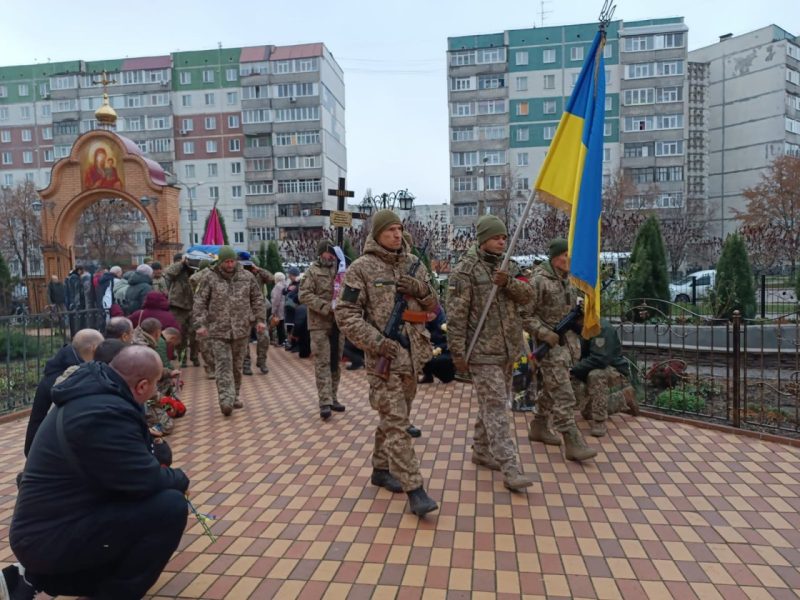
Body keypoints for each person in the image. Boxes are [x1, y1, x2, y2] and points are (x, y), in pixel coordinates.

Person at [10, 345, 189, 600]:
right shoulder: (104, 413)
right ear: (142, 386)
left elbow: (133, 470)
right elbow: (145, 478)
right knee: (169, 506)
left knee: (146, 501)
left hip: (52, 528)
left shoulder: (98, 395)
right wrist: (180, 479)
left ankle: (51, 578)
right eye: (155, 385)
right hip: (47, 540)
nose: (156, 392)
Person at [336, 210, 439, 517]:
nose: (397, 234)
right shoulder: (361, 269)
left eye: (399, 229)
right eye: (390, 229)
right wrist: (378, 342)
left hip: (413, 357)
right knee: (398, 424)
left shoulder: (413, 265)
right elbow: (346, 314)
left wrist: (419, 289)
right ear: (377, 233)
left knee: (396, 416)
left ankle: (381, 470)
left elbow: (434, 307)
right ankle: (415, 489)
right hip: (383, 358)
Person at [446, 215, 536, 492]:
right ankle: (510, 467)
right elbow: (457, 316)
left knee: (491, 403)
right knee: (497, 405)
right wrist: (457, 353)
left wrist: (508, 282)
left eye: (504, 237)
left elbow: (529, 295)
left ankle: (482, 449)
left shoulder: (510, 266)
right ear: (483, 238)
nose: (502, 241)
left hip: (508, 349)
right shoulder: (465, 271)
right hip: (481, 352)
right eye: (497, 237)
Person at [522, 238, 597, 462]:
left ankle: (539, 425)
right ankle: (573, 441)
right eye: (565, 255)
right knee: (564, 395)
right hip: (550, 348)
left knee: (550, 387)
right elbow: (524, 315)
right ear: (555, 258)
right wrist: (544, 333)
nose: (569, 259)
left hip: (567, 347)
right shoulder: (538, 281)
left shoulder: (568, 281)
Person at [193, 246, 265, 416]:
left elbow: (257, 299)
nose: (230, 264)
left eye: (232, 261)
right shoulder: (209, 278)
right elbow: (199, 302)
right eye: (227, 261)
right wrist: (200, 324)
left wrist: (260, 320)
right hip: (218, 330)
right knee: (223, 365)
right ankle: (225, 399)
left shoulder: (246, 277)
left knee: (237, 367)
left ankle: (235, 395)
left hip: (241, 329)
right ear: (221, 262)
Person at [23, 329, 104, 457]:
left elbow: (36, 420)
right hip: (59, 454)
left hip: (39, 451)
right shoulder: (75, 381)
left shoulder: (52, 373)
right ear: (94, 348)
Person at [300, 239, 346, 419]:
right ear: (320, 254)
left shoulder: (341, 270)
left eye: (333, 254)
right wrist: (325, 307)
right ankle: (324, 401)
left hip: (338, 324)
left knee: (336, 361)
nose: (331, 257)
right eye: (328, 254)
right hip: (319, 324)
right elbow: (304, 294)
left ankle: (334, 397)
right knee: (323, 362)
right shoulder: (312, 272)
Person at [571, 318, 640, 437]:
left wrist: (574, 370)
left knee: (595, 375)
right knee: (587, 413)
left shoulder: (601, 328)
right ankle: (624, 397)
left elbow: (600, 359)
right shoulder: (581, 326)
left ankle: (599, 421)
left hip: (612, 367)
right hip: (591, 365)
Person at [240, 253, 272, 376]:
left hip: (259, 311)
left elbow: (271, 278)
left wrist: (258, 269)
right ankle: (246, 363)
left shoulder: (258, 274)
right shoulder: (239, 275)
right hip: (244, 311)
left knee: (264, 338)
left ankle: (262, 361)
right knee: (244, 340)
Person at [165, 254, 200, 368]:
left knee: (194, 334)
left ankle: (194, 357)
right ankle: (182, 358)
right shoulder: (177, 270)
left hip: (193, 305)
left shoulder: (195, 270)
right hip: (178, 306)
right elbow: (169, 272)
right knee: (181, 334)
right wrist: (182, 263)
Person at [270, 272, 288, 346]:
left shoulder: (278, 286)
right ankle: (283, 340)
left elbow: (276, 299)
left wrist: (273, 310)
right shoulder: (285, 284)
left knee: (279, 324)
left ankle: (281, 341)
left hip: (279, 308)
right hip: (284, 307)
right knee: (282, 323)